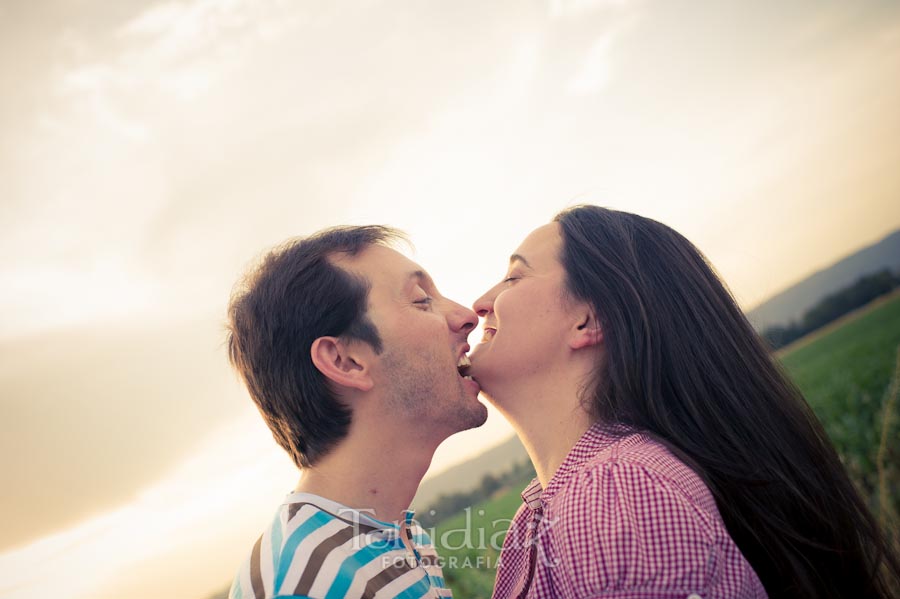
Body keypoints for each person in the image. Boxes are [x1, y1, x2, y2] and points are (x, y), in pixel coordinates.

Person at [466, 205, 900, 599]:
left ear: (588, 319)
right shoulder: (560, 503)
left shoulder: (616, 494)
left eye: (514, 277)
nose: (480, 304)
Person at [225, 225, 486, 599]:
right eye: (420, 300)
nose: (466, 315)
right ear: (345, 361)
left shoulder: (396, 538)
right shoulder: (305, 583)